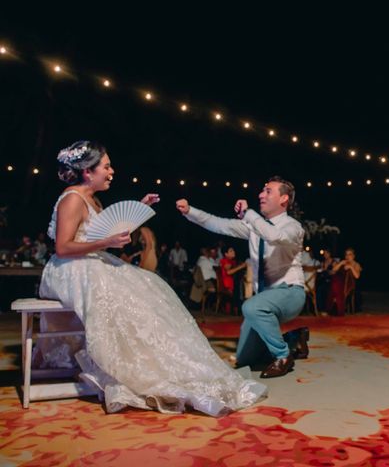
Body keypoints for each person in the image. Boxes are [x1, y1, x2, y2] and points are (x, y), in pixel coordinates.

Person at [38, 140, 266, 416]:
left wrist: (135, 215)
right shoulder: (73, 198)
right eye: (107, 167)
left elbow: (105, 237)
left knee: (148, 288)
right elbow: (63, 247)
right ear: (88, 171)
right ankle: (130, 367)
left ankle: (170, 363)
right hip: (69, 269)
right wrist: (106, 242)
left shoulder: (93, 199)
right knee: (124, 293)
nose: (112, 172)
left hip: (92, 262)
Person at [177, 176, 308, 378]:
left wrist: (248, 214)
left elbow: (274, 236)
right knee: (245, 357)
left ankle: (283, 356)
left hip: (290, 293)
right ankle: (293, 338)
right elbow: (218, 224)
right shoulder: (254, 226)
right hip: (264, 297)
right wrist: (190, 211)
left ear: (284, 199)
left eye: (268, 191)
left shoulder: (292, 227)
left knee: (251, 307)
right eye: (262, 190)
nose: (261, 194)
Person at [329, 247, 362, 316]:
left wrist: (351, 267)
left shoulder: (356, 264)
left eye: (349, 254)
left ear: (353, 256)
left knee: (335, 284)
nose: (347, 256)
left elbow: (357, 276)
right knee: (334, 282)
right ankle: (334, 307)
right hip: (340, 283)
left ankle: (336, 308)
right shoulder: (343, 262)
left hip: (349, 285)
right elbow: (333, 270)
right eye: (346, 254)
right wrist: (341, 263)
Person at [219, 246, 247, 314]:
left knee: (242, 282)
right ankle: (239, 308)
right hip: (227, 284)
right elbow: (229, 272)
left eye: (233, 250)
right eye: (231, 251)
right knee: (239, 284)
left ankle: (241, 307)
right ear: (226, 254)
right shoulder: (224, 260)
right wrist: (241, 266)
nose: (234, 252)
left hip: (233, 282)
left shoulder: (233, 261)